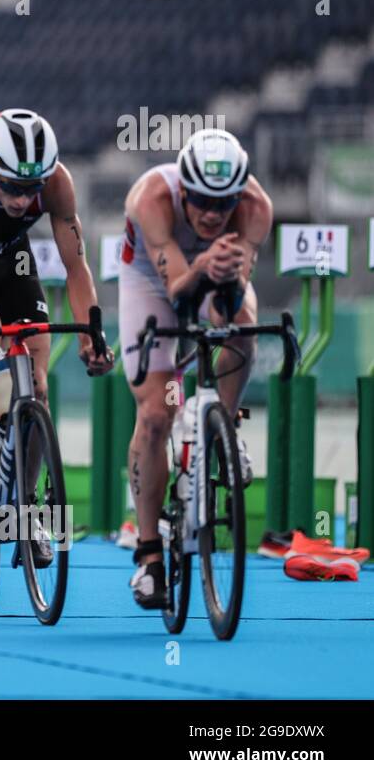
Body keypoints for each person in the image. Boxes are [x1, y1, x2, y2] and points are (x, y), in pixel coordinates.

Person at [0, 109, 113, 516]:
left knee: (38, 385)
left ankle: (25, 510)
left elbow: (76, 269)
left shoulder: (58, 183)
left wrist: (90, 339)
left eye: (31, 189)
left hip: (14, 264)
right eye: (12, 187)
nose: (21, 200)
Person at [119, 128, 270, 608]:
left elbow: (227, 297)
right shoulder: (152, 196)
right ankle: (148, 556)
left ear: (240, 195)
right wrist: (204, 264)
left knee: (243, 325)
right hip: (152, 281)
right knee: (157, 413)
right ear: (183, 189)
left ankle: (223, 423)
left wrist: (225, 273)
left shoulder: (256, 208)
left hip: (207, 273)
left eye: (222, 203)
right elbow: (179, 291)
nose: (210, 213)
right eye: (201, 200)